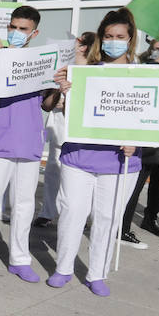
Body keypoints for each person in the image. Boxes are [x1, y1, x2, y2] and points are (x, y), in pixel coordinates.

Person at [47, 8, 142, 297]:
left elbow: (157, 118)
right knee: (72, 212)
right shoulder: (84, 73)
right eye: (109, 36)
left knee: (108, 218)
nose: (114, 40)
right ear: (101, 38)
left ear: (130, 39)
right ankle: (63, 268)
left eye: (120, 36)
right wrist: (64, 91)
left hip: (120, 161)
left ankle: (97, 273)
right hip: (79, 157)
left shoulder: (145, 74)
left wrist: (139, 142)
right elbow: (55, 106)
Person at [0, 6, 55, 284]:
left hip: (29, 141)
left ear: (34, 33)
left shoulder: (41, 61)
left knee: (24, 204)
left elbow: (47, 104)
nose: (16, 33)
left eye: (22, 29)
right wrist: (0, 71)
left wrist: (57, 86)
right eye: (13, 27)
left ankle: (19, 259)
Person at [35, 32, 95, 229]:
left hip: (81, 129)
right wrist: (57, 96)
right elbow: (49, 95)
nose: (76, 46)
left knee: (81, 175)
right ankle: (48, 212)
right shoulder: (63, 67)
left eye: (80, 43)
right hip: (59, 125)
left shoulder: (94, 71)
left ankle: (82, 215)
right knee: (53, 170)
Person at [119, 37, 159, 246]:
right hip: (144, 139)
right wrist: (157, 63)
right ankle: (122, 229)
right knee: (134, 186)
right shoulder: (142, 67)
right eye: (155, 48)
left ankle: (150, 218)